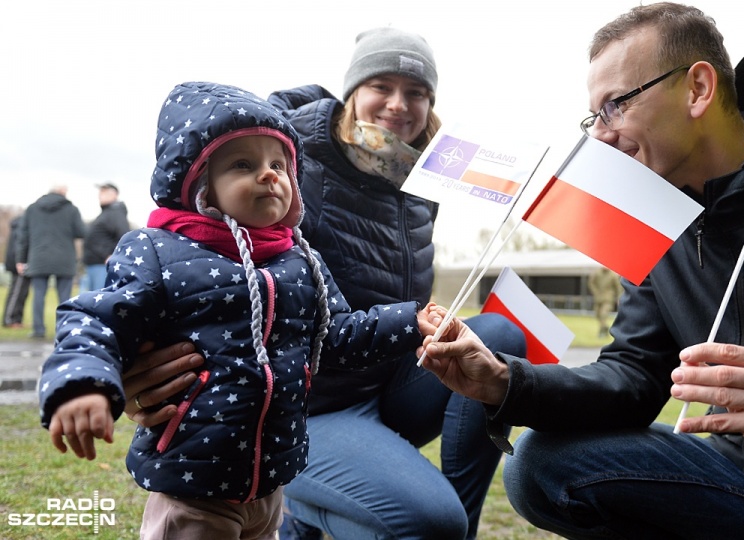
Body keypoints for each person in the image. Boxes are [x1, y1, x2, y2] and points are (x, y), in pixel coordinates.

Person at [418, 3, 744, 538]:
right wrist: (508, 381)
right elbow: (632, 378)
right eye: (593, 117)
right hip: (731, 489)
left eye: (616, 106)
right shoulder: (657, 225)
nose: (600, 136)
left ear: (698, 89)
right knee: (538, 463)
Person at [122, 28, 526, 540]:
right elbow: (191, 243)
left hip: (384, 381)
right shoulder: (293, 160)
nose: (399, 105)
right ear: (352, 91)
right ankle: (306, 509)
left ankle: (451, 530)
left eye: (417, 92)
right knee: (426, 520)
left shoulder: (424, 180)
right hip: (298, 403)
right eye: (382, 85)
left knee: (501, 338)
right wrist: (139, 360)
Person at [39, 81, 437, 539]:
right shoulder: (157, 251)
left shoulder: (301, 261)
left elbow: (337, 335)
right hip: (194, 484)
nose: (269, 175)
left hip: (270, 482)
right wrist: (83, 383)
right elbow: (96, 318)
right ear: (198, 182)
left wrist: (409, 321)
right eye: (243, 165)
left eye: (278, 164)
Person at [15, 185, 85, 339]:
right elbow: (81, 232)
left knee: (38, 295)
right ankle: (65, 329)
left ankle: (38, 330)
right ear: (63, 193)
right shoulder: (72, 209)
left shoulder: (32, 209)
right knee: (65, 297)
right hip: (64, 258)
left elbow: (23, 236)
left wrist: (20, 259)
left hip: (38, 257)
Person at [79, 182, 129, 292]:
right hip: (93, 264)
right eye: (100, 192)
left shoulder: (116, 213)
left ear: (114, 194)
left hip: (103, 265)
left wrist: (112, 255)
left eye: (105, 192)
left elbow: (124, 236)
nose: (100, 195)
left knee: (99, 299)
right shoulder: (106, 213)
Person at [3, 215, 29, 328]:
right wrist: (20, 261)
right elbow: (19, 247)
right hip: (18, 264)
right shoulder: (21, 227)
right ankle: (9, 320)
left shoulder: (19, 226)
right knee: (16, 293)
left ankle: (17, 320)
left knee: (22, 293)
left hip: (19, 263)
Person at [586, 266, 621, 336]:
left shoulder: (613, 275)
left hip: (608, 299)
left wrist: (619, 298)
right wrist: (595, 291)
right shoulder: (596, 273)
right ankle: (605, 327)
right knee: (597, 315)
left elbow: (618, 287)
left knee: (603, 314)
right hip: (598, 298)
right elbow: (591, 283)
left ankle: (602, 331)